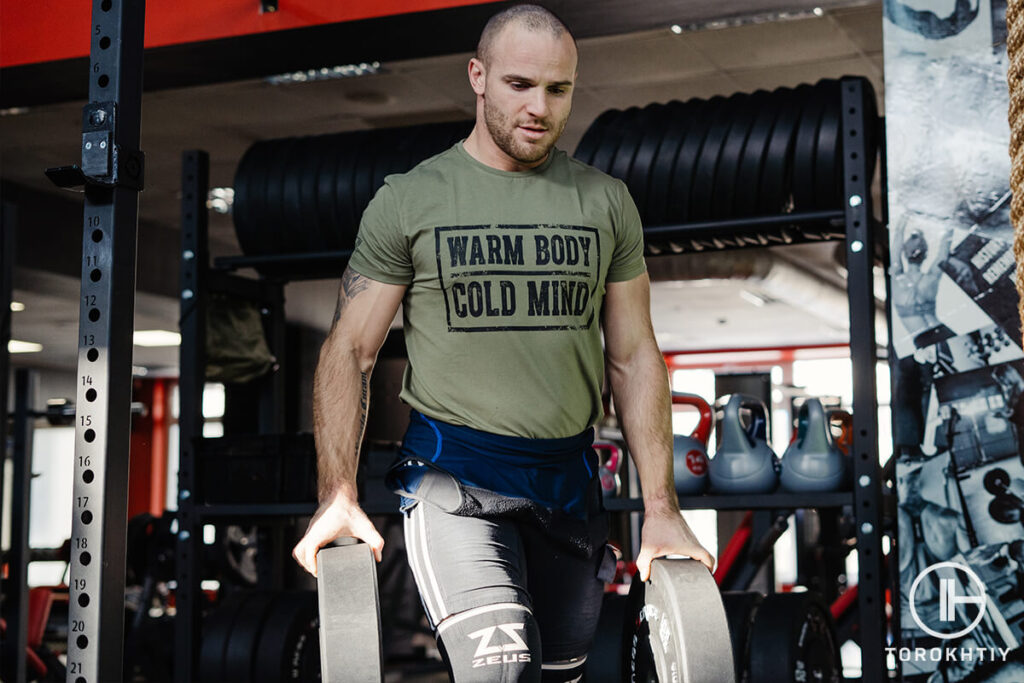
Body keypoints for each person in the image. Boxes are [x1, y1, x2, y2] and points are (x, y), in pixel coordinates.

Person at [292, 5, 713, 680]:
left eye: (558, 89)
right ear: (478, 77)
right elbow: (350, 350)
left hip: (568, 486)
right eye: (519, 84)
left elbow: (634, 357)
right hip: (453, 476)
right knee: (502, 671)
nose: (540, 108)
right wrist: (336, 488)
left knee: (560, 673)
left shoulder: (606, 202)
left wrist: (661, 508)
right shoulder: (410, 199)